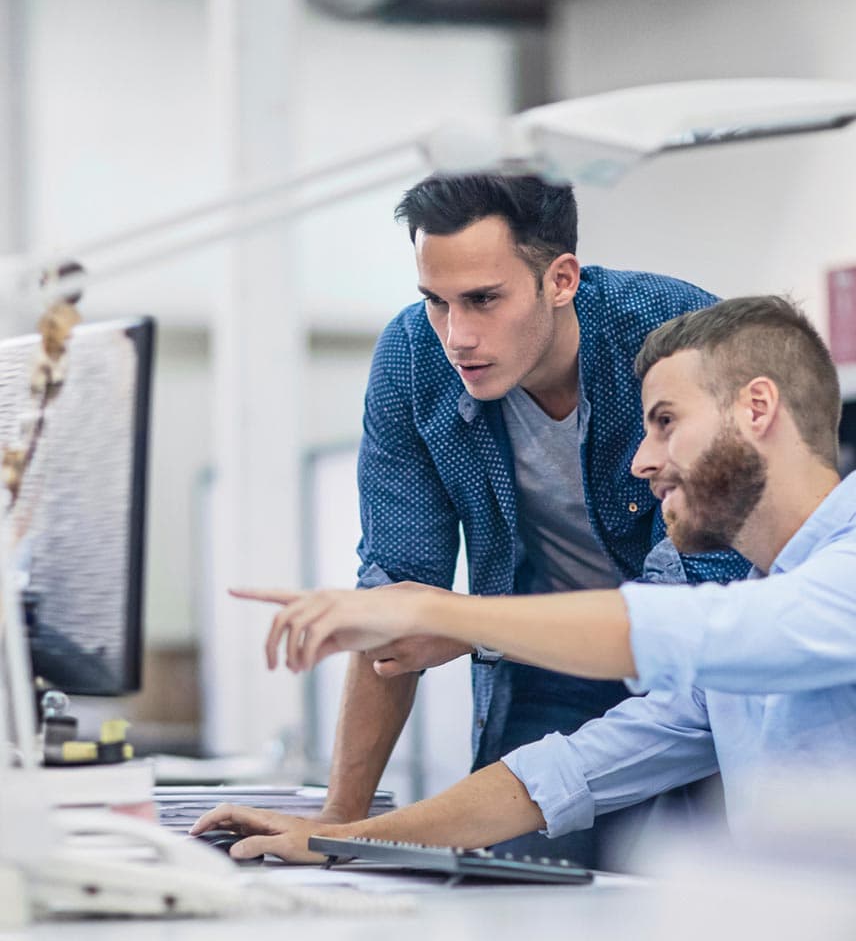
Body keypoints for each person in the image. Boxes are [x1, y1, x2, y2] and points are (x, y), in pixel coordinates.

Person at [193, 295, 853, 859]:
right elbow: (564, 774)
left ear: (756, 408)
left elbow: (672, 630)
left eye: (665, 423)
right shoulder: (747, 635)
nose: (642, 462)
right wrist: (339, 838)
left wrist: (434, 612)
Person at [303, 172, 747, 868]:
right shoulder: (415, 358)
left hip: (696, 669)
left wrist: (469, 625)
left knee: (693, 880)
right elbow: (395, 595)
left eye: (483, 299)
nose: (457, 336)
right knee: (515, 880)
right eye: (436, 301)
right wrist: (337, 826)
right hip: (540, 665)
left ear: (561, 279)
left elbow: (694, 611)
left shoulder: (675, 338)